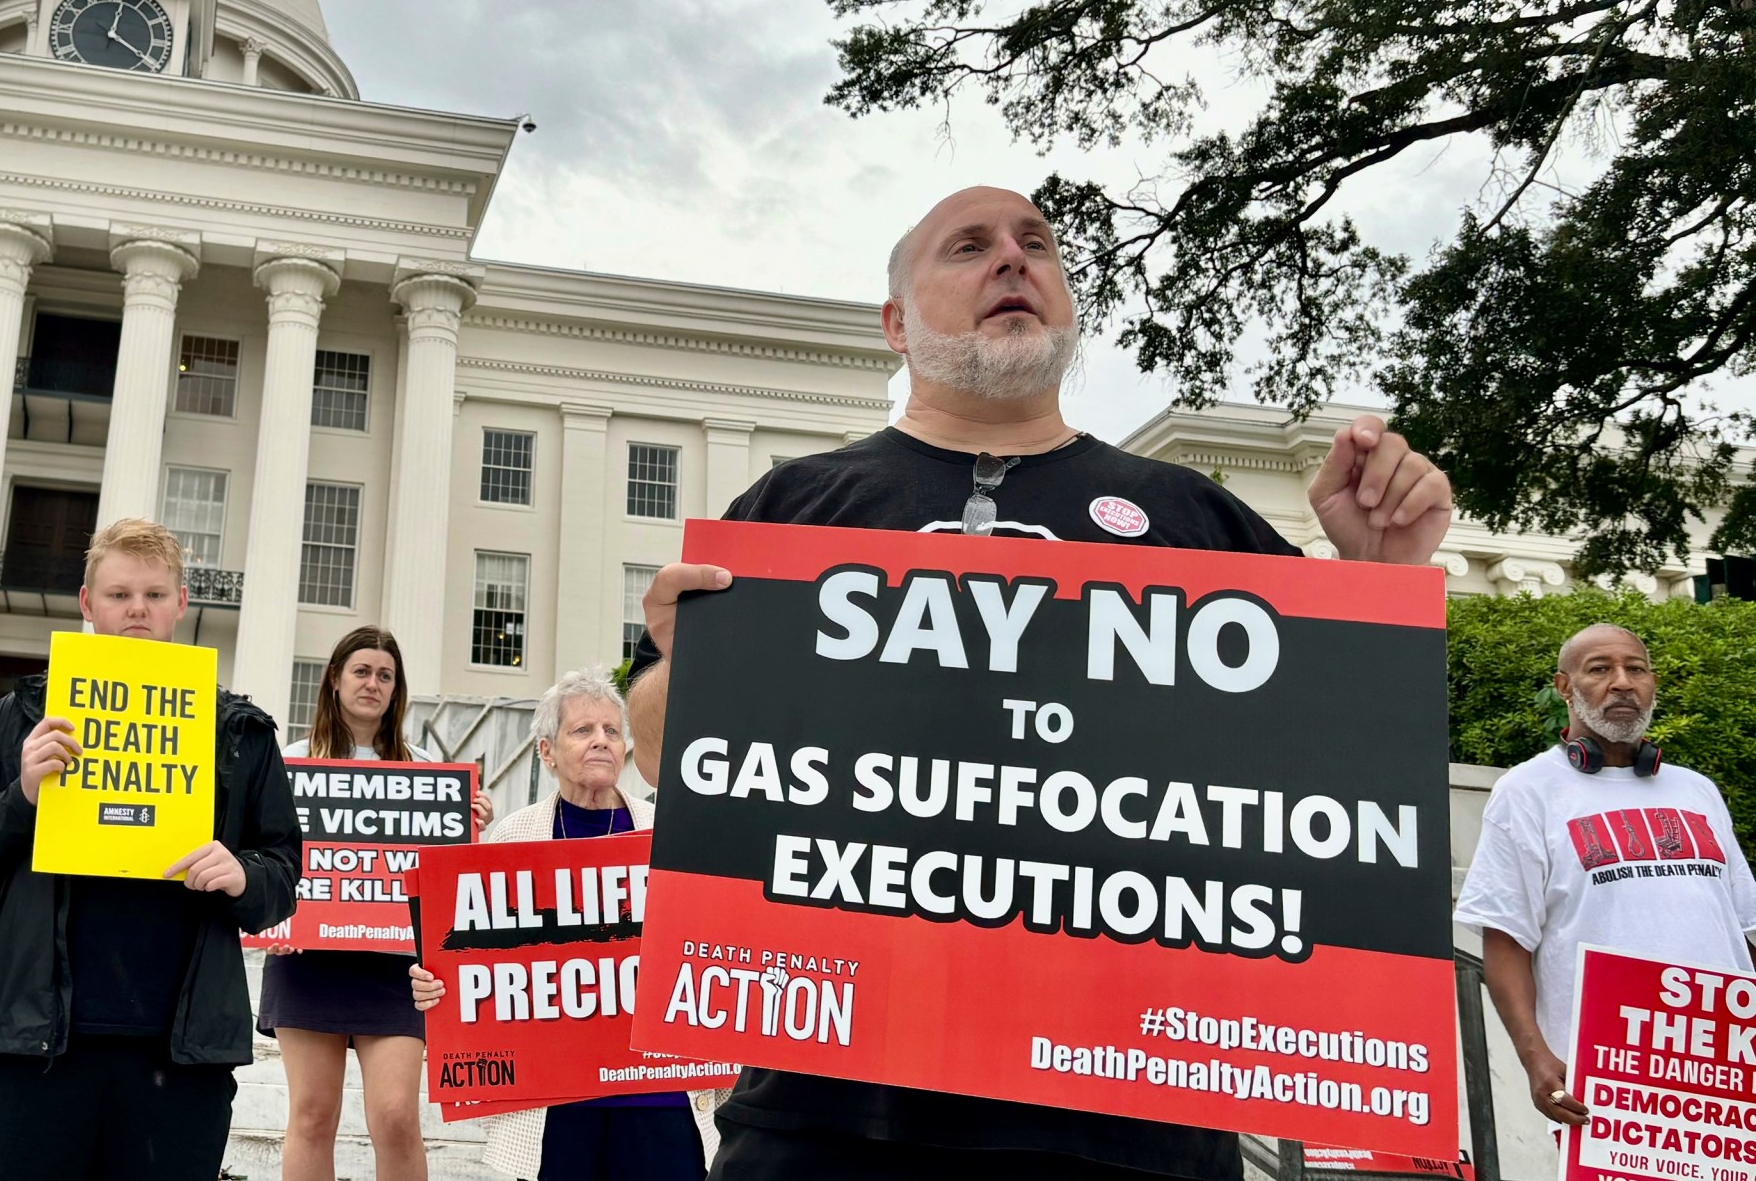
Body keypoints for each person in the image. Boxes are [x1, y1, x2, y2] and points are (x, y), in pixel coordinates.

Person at [624, 185, 1457, 1181]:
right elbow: (665, 764)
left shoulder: (1196, 517)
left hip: (1136, 1129)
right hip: (826, 1120)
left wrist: (1377, 587)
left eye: (1036, 246)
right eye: (967, 247)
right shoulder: (792, 509)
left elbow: (1336, 794)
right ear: (895, 324)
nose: (1011, 261)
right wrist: (694, 672)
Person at [0, 517, 301, 1181]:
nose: (137, 610)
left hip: (178, 1057)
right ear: (87, 602)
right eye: (120, 594)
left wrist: (242, 873)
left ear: (182, 604)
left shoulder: (240, 731)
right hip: (31, 1046)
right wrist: (21, 797)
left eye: (154, 595)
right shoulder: (20, 716)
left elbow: (283, 873)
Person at [410, 671, 718, 1181]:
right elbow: (473, 962)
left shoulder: (670, 835)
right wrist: (435, 983)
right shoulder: (513, 838)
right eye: (583, 730)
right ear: (547, 751)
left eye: (612, 731)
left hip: (660, 1093)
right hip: (554, 1103)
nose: (601, 740)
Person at [1455, 623, 1756, 1129]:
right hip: (1604, 1080)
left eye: (1635, 669)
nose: (1622, 682)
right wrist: (1535, 1058)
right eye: (1600, 669)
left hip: (1723, 1077)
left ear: (1652, 684)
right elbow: (1506, 942)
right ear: (1565, 687)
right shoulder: (1527, 791)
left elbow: (1744, 932)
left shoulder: (1698, 791)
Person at [263, 625, 494, 1181]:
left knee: (394, 1116)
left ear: (397, 690)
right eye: (362, 671)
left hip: (396, 965)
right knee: (313, 1116)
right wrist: (273, 923)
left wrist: (469, 826)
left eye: (385, 676)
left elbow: (445, 875)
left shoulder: (426, 769)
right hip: (306, 956)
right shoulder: (289, 762)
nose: (373, 683)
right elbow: (267, 852)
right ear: (336, 678)